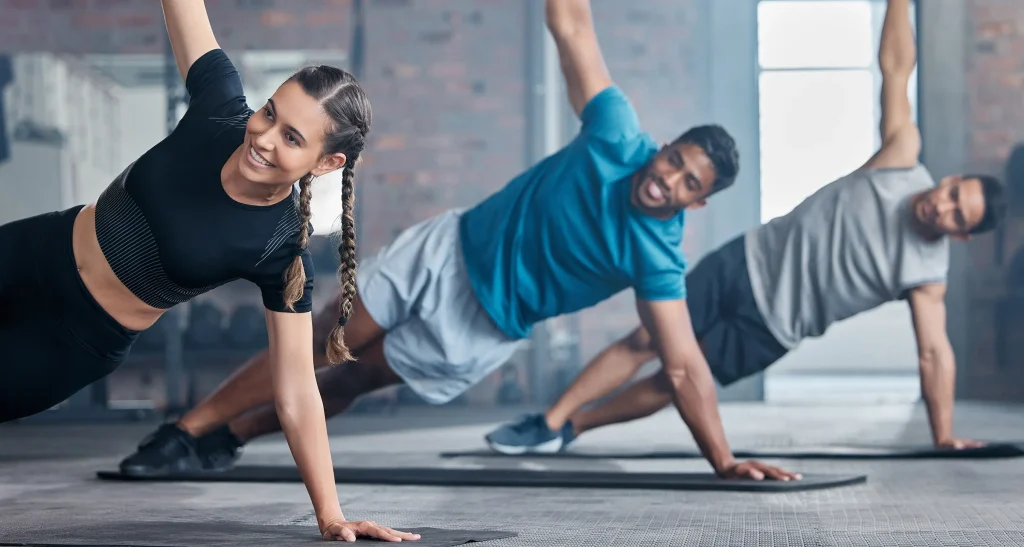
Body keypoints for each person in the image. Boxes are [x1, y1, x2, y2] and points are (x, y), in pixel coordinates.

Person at [115, 0, 793, 483]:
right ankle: (185, 429)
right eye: (674, 161)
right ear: (667, 146)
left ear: (697, 201)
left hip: (486, 323)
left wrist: (725, 460)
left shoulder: (659, 257)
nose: (666, 180)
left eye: (685, 183)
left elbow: (682, 366)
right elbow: (573, 25)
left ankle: (224, 438)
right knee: (329, 337)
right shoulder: (617, 132)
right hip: (448, 251)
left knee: (352, 379)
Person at [484, 0, 1008, 471]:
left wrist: (943, 435)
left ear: (959, 237)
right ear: (951, 180)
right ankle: (549, 422)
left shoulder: (927, 274)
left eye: (957, 218)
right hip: (747, 261)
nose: (943, 209)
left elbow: (934, 353)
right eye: (953, 195)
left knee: (677, 379)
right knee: (646, 339)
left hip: (775, 327)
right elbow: (896, 69)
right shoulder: (900, 159)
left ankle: (574, 428)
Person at [0, 1, 418, 542]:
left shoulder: (281, 250)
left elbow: (294, 390)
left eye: (292, 137)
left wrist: (330, 513)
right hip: (35, 250)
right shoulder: (218, 106)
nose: (264, 137)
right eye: (269, 112)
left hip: (73, 340)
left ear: (326, 163)